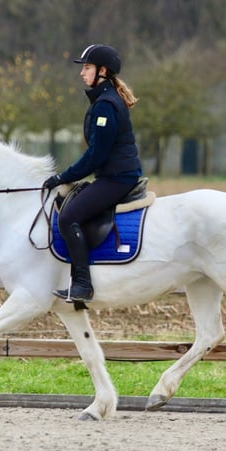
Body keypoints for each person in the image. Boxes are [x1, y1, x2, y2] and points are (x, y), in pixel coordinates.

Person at [43, 44, 143, 305]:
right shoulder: (105, 100)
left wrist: (62, 177)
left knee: (68, 218)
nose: (82, 73)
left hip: (117, 178)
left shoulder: (106, 105)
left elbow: (95, 156)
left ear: (102, 71)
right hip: (113, 175)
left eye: (86, 68)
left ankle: (82, 285)